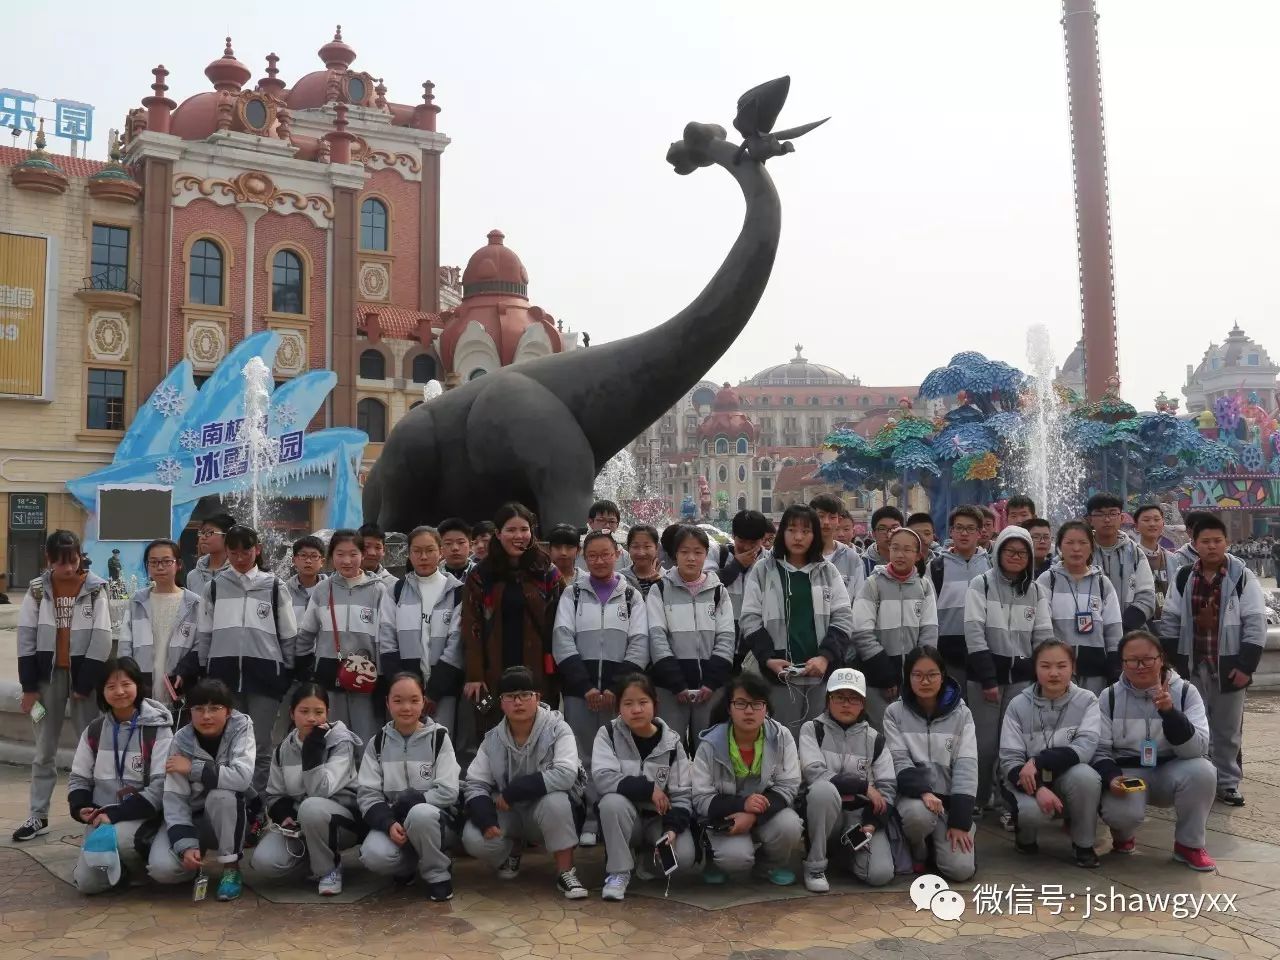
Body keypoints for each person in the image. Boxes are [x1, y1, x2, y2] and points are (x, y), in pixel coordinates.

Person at [1158, 515, 1264, 807]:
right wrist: (1172, 664)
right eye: (1205, 541)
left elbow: (1255, 623)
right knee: (1194, 725)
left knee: (1227, 730)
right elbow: (1170, 620)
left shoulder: (1241, 577)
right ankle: (1200, 780)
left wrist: (1246, 666)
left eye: (1217, 540)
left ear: (1226, 542)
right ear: (1194, 544)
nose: (1212, 546)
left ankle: (1228, 783)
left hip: (1229, 666)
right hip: (1192, 666)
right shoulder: (1183, 577)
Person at [14, 529, 113, 842]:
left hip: (85, 678)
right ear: (49, 559)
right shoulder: (37, 590)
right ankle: (37, 815)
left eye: (72, 560)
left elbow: (103, 637)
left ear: (80, 555)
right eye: (60, 562)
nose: (68, 568)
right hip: (48, 679)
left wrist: (85, 684)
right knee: (44, 749)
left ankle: (97, 812)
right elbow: (26, 638)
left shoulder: (96, 589)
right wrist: (29, 688)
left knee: (94, 746)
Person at [552, 530, 649, 846]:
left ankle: (615, 815)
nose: (599, 560)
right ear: (584, 556)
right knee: (584, 754)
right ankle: (591, 817)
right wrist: (585, 687)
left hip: (617, 695)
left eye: (606, 554)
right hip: (581, 692)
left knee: (619, 752)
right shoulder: (572, 594)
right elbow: (562, 640)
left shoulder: (632, 595)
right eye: (592, 555)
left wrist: (614, 690)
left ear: (617, 554)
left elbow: (639, 643)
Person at [1093, 630, 1217, 871]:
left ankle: (1189, 845)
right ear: (1123, 663)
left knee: (1203, 771)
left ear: (1161, 658)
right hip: (1129, 772)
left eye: (1147, 659)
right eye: (1131, 660)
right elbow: (1100, 749)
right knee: (1121, 813)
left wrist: (1171, 714)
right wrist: (1111, 776)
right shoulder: (1108, 697)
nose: (1140, 666)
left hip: (1173, 769)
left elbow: (1198, 748)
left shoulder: (1185, 692)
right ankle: (1122, 835)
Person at [194, 524, 299, 809]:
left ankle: (256, 808)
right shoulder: (213, 587)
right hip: (224, 678)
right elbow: (205, 633)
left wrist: (285, 672)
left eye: (246, 550)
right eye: (234, 551)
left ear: (258, 550)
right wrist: (206, 671)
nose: (240, 557)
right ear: (226, 552)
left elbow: (289, 636)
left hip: (265, 677)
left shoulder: (275, 586)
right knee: (229, 743)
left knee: (261, 744)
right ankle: (231, 805)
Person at [462, 666, 589, 899]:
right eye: (509, 696)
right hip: (510, 813)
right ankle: (513, 850)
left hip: (545, 812)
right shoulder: (492, 739)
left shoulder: (558, 728)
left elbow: (565, 774)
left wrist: (514, 792)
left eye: (524, 695)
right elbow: (475, 783)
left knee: (556, 801)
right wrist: (486, 818)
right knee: (473, 837)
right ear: (501, 703)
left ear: (537, 697)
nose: (517, 702)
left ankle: (565, 872)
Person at [964, 526, 1054, 820]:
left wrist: (1041, 674)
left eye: (1022, 552)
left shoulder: (1036, 589)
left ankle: (1008, 801)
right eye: (1010, 551)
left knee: (1014, 743)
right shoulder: (982, 584)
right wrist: (988, 678)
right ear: (998, 552)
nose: (1016, 557)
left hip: (1023, 680)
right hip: (986, 678)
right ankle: (977, 798)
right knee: (984, 743)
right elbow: (974, 633)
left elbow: (1043, 635)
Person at [741, 505, 853, 738]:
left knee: (818, 740)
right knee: (780, 739)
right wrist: (769, 658)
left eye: (806, 531)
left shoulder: (827, 571)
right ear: (782, 533)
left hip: (819, 675)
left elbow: (843, 618)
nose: (798, 537)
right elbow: (750, 618)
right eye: (792, 530)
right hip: (778, 677)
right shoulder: (764, 570)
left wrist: (825, 657)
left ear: (815, 535)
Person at [67, 657, 173, 893]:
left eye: (126, 684)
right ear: (102, 691)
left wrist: (115, 814)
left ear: (138, 685)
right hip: (102, 817)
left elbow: (160, 787)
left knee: (122, 841)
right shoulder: (94, 731)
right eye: (111, 686)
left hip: (143, 814)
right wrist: (80, 806)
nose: (120, 692)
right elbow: (79, 778)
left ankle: (139, 866)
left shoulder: (158, 730)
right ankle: (122, 871)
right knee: (87, 885)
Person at [251, 683, 364, 896]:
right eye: (304, 711)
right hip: (300, 823)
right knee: (265, 862)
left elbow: (321, 791)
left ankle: (329, 869)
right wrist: (285, 816)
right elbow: (275, 794)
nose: (312, 718)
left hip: (341, 823)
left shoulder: (340, 742)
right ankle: (313, 858)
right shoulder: (284, 748)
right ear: (292, 714)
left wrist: (313, 748)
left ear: (328, 714)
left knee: (312, 807)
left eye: (319, 712)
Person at [147, 678, 255, 900]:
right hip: (195, 821)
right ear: (190, 712)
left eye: (215, 708)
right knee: (162, 869)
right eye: (199, 709)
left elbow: (241, 778)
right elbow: (175, 799)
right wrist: (186, 846)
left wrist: (193, 768)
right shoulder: (180, 740)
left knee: (222, 795)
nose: (206, 716)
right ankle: (196, 862)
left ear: (228, 711)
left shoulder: (241, 727)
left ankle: (231, 868)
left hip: (231, 820)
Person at [997, 640, 1102, 867]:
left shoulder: (1087, 700)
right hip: (1025, 778)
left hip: (1066, 775)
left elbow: (1084, 748)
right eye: (1045, 666)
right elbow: (1010, 759)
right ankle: (1025, 838)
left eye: (1061, 666)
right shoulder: (1018, 705)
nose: (1053, 673)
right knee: (1030, 813)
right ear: (1035, 668)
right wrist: (1039, 788)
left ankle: (1083, 844)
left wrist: (1038, 760)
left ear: (1073, 667)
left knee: (1086, 776)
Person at [692, 672, 803, 885]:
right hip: (726, 815)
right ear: (729, 708)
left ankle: (768, 866)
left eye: (757, 704)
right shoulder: (710, 744)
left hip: (765, 812)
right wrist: (742, 804)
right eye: (741, 703)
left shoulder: (782, 737)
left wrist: (753, 816)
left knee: (790, 826)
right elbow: (701, 798)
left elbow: (788, 786)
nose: (749, 711)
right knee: (735, 859)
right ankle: (714, 859)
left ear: (767, 708)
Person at [592, 673, 696, 900]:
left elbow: (681, 795)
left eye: (643, 702)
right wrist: (649, 789)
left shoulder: (672, 743)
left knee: (684, 858)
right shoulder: (608, 734)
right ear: (618, 707)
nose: (636, 710)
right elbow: (603, 778)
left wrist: (671, 829)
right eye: (628, 704)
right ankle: (618, 872)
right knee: (611, 802)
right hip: (625, 817)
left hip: (657, 819)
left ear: (655, 705)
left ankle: (646, 858)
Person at [358, 673, 460, 901]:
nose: (406, 707)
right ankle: (406, 868)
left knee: (420, 814)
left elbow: (448, 790)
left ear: (424, 702)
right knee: (373, 855)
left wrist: (410, 804)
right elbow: (367, 794)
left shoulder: (439, 738)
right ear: (387, 702)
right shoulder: (377, 743)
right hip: (395, 822)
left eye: (414, 700)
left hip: (434, 822)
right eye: (398, 700)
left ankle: (438, 874)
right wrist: (388, 823)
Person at [882, 646, 977, 882]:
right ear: (908, 677)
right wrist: (923, 791)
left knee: (961, 871)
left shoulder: (962, 714)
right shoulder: (894, 712)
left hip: (948, 804)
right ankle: (918, 847)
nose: (925, 681)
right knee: (918, 816)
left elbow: (967, 767)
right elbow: (899, 759)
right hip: (913, 798)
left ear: (943, 676)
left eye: (932, 674)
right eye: (917, 675)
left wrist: (960, 822)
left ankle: (941, 841)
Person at [798, 668, 897, 892]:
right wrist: (863, 785)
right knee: (823, 790)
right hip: (824, 817)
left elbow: (888, 789)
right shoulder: (812, 729)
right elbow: (815, 773)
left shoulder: (876, 739)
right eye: (839, 697)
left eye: (853, 699)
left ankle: (844, 856)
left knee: (880, 874)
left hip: (859, 819)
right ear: (828, 700)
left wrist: (872, 823)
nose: (846, 704)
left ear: (862, 703)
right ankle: (815, 866)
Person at [461, 503, 564, 717]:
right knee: (489, 724)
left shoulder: (547, 572)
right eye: (511, 530)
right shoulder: (480, 575)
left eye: (524, 529)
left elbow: (562, 622)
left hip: (538, 668)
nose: (519, 535)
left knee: (539, 727)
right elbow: (472, 626)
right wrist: (474, 674)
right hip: (492, 670)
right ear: (498, 534)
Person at [296, 529, 396, 743]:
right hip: (329, 674)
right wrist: (305, 669)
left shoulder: (379, 590)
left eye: (353, 554)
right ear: (331, 556)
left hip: (366, 676)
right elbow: (306, 633)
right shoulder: (323, 589)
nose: (347, 560)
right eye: (340, 554)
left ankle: (365, 775)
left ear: (362, 554)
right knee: (333, 735)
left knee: (366, 735)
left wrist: (383, 675)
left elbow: (384, 636)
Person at [647, 525, 736, 748]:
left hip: (711, 688)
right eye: (684, 552)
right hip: (670, 688)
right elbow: (657, 638)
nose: (691, 558)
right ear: (675, 554)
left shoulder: (718, 591)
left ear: (706, 554)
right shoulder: (659, 590)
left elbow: (726, 638)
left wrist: (711, 682)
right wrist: (676, 683)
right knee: (669, 747)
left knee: (709, 748)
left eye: (698, 552)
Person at [849, 527, 938, 728]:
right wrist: (885, 674)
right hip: (878, 678)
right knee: (883, 732)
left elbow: (929, 631)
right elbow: (861, 632)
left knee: (912, 732)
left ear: (917, 555)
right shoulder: (873, 584)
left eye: (907, 549)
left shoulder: (924, 586)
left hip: (913, 679)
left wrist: (917, 672)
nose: (900, 554)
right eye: (895, 548)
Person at [389, 526, 466, 738]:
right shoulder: (396, 590)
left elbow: (457, 643)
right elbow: (387, 639)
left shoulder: (457, 591)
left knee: (441, 745)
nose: (423, 557)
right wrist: (404, 687)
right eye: (417, 551)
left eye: (430, 550)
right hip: (405, 690)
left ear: (440, 551)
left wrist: (434, 692)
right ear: (409, 553)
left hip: (443, 689)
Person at [1037, 521, 1122, 694]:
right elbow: (1041, 628)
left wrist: (1114, 666)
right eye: (1069, 543)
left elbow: (1113, 629)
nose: (1076, 549)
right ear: (1059, 546)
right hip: (1058, 669)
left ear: (1092, 546)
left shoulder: (1102, 583)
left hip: (1096, 670)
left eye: (1083, 543)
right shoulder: (1047, 580)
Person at [118, 539, 201, 708]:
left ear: (178, 565)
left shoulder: (194, 603)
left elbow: (201, 644)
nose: (160, 567)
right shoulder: (137, 601)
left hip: (179, 686)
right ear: (147, 566)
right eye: (153, 562)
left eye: (166, 561)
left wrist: (185, 670)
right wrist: (127, 678)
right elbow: (125, 643)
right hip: (143, 684)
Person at [929, 506, 991, 689]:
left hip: (984, 646)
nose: (964, 533)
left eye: (970, 529)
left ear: (980, 533)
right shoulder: (935, 567)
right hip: (947, 649)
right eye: (959, 528)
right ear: (951, 531)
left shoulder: (991, 565)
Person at [1086, 493, 1156, 635]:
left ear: (1121, 518)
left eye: (1113, 513)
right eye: (1100, 514)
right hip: (1089, 632)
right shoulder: (1082, 550)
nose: (1107, 519)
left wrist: (1124, 627)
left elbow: (1147, 597)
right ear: (1090, 519)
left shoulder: (1135, 553)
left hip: (1130, 633)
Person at [716, 510, 768, 669]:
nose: (746, 547)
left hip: (754, 649)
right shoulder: (719, 555)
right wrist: (736, 565)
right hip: (719, 647)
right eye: (741, 540)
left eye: (753, 543)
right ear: (733, 535)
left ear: (763, 539)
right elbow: (706, 586)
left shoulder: (770, 562)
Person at [1133, 504, 1183, 630]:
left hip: (1169, 627)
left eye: (1156, 519)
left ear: (1163, 524)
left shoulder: (1173, 559)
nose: (1152, 524)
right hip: (1140, 627)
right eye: (1146, 520)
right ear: (1136, 526)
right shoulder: (1131, 558)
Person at [810, 494, 866, 597]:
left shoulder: (852, 558)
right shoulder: (800, 555)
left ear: (838, 520)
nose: (826, 522)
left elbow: (860, 598)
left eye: (832, 517)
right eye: (821, 516)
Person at [186, 512, 235, 597]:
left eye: (209, 532)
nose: (203, 537)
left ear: (228, 536)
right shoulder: (192, 576)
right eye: (202, 533)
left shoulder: (237, 573)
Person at [577, 500, 633, 573]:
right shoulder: (577, 552)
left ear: (617, 525)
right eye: (601, 520)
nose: (607, 526)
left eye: (612, 522)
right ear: (590, 522)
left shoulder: (624, 556)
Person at [285, 536, 327, 622]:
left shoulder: (331, 590)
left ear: (322, 562)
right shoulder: (284, 591)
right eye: (303, 555)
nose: (308, 561)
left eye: (314, 556)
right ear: (293, 560)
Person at [860, 506, 903, 578]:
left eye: (894, 528)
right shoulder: (863, 564)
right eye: (882, 529)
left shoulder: (913, 559)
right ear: (873, 534)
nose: (889, 534)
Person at [624, 524, 664, 597]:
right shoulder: (620, 579)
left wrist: (660, 584)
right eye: (635, 546)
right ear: (628, 548)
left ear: (657, 547)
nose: (641, 553)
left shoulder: (668, 578)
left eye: (647, 546)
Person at [358, 523, 398, 588]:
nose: (372, 553)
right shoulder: (341, 581)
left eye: (377, 547)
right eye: (366, 546)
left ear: (384, 550)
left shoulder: (394, 585)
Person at [438, 517, 476, 581]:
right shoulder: (433, 574)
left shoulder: (482, 572)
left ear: (470, 545)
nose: (455, 548)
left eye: (461, 542)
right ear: (440, 548)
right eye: (448, 543)